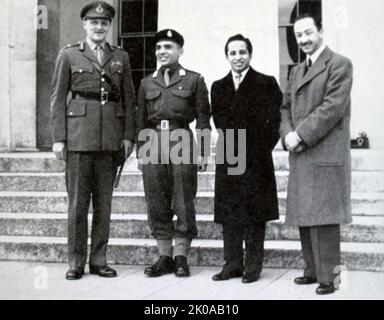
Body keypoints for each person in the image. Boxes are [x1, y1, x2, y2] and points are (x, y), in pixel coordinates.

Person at [50, 1, 136, 280]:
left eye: (104, 23)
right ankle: (76, 261)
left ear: (109, 26)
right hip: (77, 139)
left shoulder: (120, 57)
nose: (99, 27)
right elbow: (57, 100)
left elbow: (129, 99)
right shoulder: (70, 55)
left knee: (104, 204)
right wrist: (59, 139)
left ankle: (99, 260)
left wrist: (127, 137)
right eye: (93, 22)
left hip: (110, 140)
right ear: (85, 25)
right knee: (77, 205)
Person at [280, 13, 353, 295]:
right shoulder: (296, 71)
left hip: (323, 151)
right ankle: (311, 271)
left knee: (325, 218)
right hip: (300, 151)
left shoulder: (339, 64)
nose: (304, 40)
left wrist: (300, 135)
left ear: (321, 31)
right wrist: (287, 134)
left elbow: (332, 107)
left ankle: (331, 279)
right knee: (305, 215)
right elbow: (284, 107)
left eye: (308, 33)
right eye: (299, 36)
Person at [136, 29, 211, 277]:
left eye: (168, 47)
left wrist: (203, 151)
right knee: (156, 199)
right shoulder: (147, 82)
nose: (162, 52)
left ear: (180, 50)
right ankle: (164, 256)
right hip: (153, 140)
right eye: (158, 48)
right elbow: (140, 120)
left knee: (183, 197)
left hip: (182, 139)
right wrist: (141, 152)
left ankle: (181, 256)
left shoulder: (194, 80)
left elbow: (203, 119)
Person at [211, 34, 282, 283]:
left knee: (254, 214)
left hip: (256, 159)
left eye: (242, 52)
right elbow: (221, 122)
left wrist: (257, 150)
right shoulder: (218, 87)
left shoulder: (266, 83)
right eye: (233, 53)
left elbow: (273, 123)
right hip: (230, 154)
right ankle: (232, 264)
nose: (238, 57)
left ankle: (253, 266)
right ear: (227, 56)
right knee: (229, 213)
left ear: (250, 55)